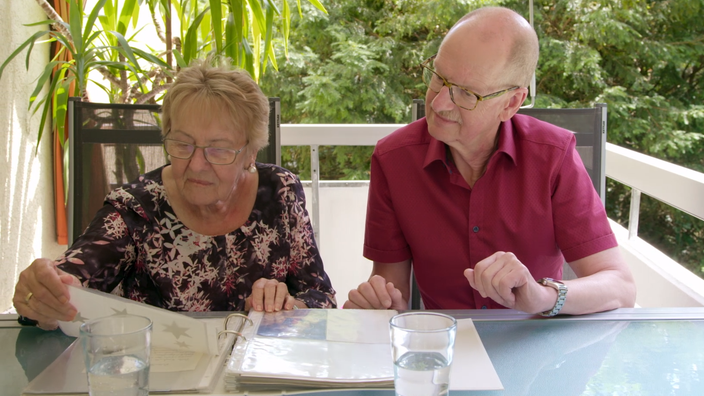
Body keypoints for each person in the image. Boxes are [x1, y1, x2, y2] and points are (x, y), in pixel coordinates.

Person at [344, 7, 636, 315]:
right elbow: (392, 288)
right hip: (448, 345)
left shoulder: (553, 156)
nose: (440, 102)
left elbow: (620, 286)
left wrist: (542, 296)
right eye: (438, 78)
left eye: (466, 93)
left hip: (534, 340)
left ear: (511, 103)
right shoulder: (393, 160)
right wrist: (384, 303)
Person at [14, 58, 336, 330]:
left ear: (250, 153)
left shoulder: (280, 191)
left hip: (259, 377)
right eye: (183, 144)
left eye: (219, 150)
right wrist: (41, 293)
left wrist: (289, 305)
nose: (196, 165)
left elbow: (322, 298)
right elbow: (69, 281)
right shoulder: (135, 209)